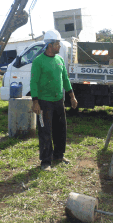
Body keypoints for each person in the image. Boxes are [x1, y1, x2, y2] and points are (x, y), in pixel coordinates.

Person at [30, 30, 78, 171]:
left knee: (60, 129)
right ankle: (45, 161)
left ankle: (59, 155)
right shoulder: (38, 61)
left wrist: (72, 96)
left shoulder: (60, 60)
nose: (60, 46)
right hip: (44, 103)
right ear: (50, 45)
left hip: (58, 101)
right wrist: (35, 102)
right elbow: (34, 82)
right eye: (57, 44)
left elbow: (65, 79)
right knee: (45, 131)